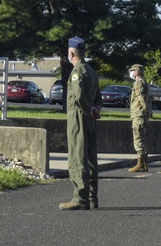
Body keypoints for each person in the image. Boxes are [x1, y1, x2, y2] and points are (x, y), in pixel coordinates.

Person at [60, 36, 102, 210]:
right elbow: (99, 97)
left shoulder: (77, 72)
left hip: (79, 116)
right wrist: (95, 109)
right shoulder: (90, 70)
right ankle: (92, 197)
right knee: (91, 158)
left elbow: (78, 96)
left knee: (78, 157)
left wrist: (88, 109)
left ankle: (80, 197)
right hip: (90, 117)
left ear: (71, 53)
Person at [128, 63, 151, 173]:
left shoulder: (138, 82)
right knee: (141, 138)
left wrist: (146, 109)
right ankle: (144, 163)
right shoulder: (143, 82)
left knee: (138, 139)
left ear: (137, 71)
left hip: (139, 114)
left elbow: (141, 97)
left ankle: (141, 163)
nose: (131, 73)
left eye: (133, 70)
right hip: (141, 114)